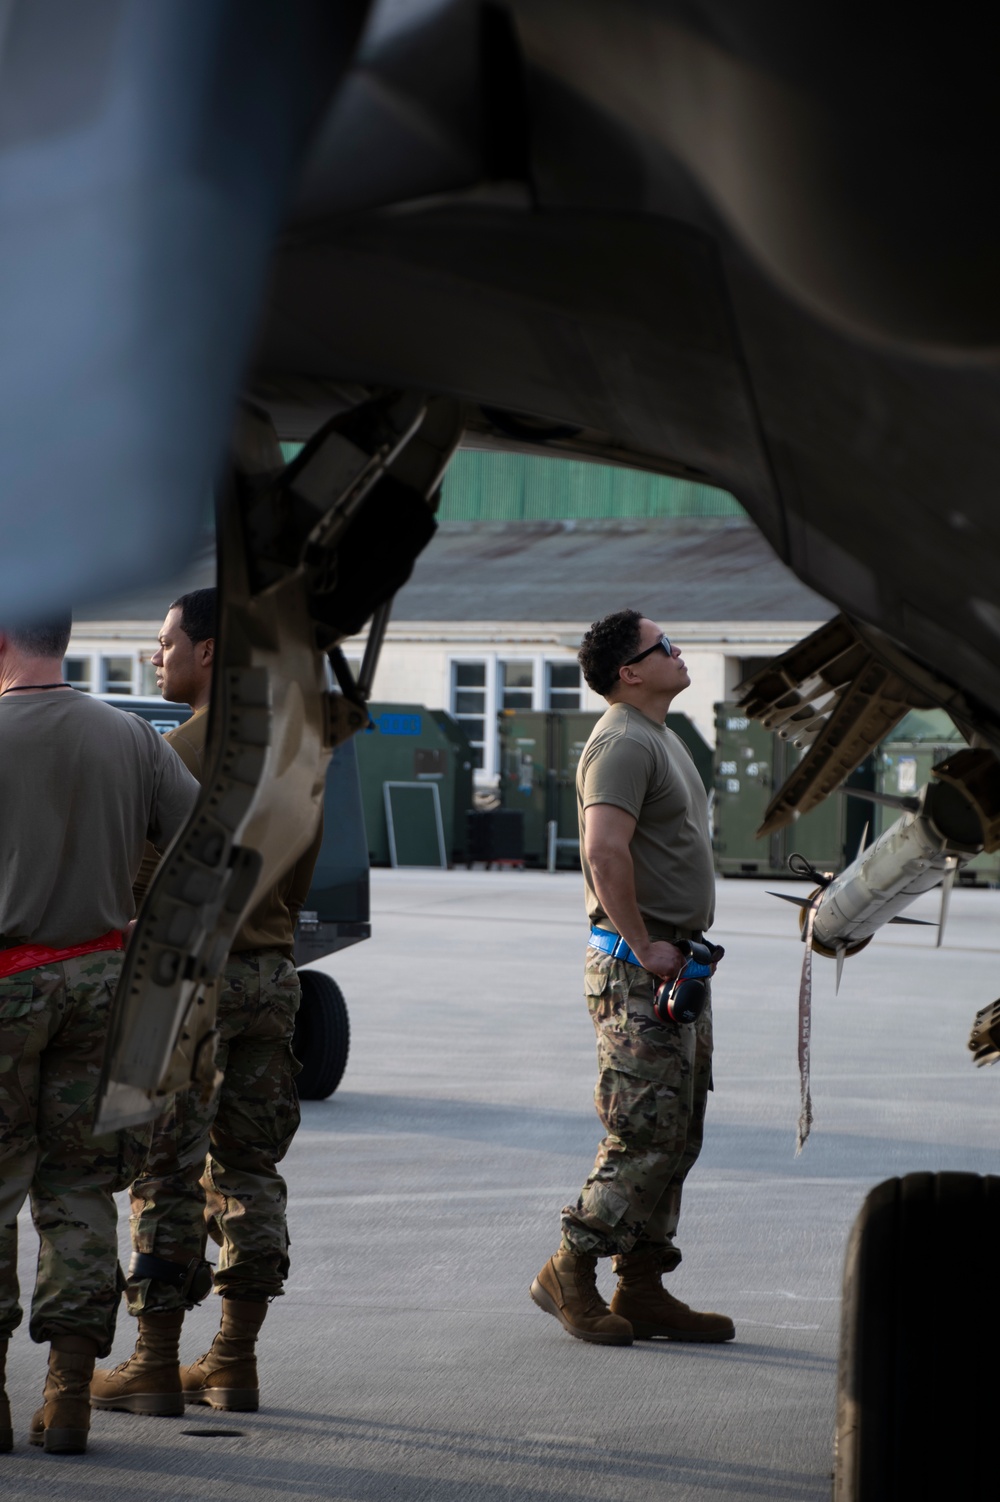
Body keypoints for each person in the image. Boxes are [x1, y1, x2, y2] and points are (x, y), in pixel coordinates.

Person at [91, 587, 321, 1418]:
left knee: (165, 1171)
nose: (159, 656)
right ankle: (233, 1359)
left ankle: (153, 1361)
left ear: (210, 651)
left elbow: (142, 884)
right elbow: (299, 882)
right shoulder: (297, 753)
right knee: (253, 1170)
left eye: (166, 641)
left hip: (191, 981)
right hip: (269, 975)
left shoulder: (172, 753)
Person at [0, 614, 199, 1454]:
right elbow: (206, 849)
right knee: (81, 1186)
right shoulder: (133, 737)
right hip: (103, 980)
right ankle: (70, 1394)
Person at [530, 609, 735, 1346]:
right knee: (642, 1135)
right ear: (631, 671)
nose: (679, 652)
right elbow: (603, 852)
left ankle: (641, 1287)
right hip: (636, 971)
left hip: (676, 966)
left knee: (677, 1134)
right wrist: (643, 943)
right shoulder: (619, 741)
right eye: (665, 646)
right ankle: (569, 1270)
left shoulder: (660, 736)